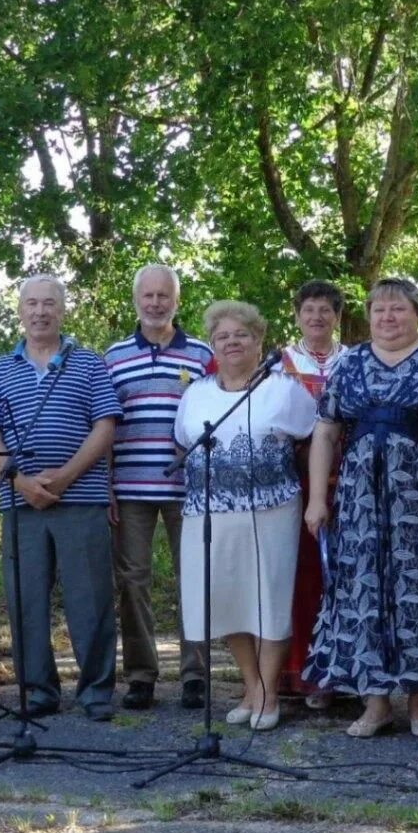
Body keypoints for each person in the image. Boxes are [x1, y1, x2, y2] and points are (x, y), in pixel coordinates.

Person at [305, 278, 418, 738]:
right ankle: (376, 702)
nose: (388, 317)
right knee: (366, 594)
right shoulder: (350, 364)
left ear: (416, 313)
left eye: (398, 309)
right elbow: (326, 430)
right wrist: (317, 499)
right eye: (379, 309)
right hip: (361, 507)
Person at [0, 276, 122, 721]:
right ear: (19, 310)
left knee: (91, 598)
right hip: (21, 504)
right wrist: (19, 480)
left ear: (62, 310)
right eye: (32, 304)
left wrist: (65, 477)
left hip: (82, 499)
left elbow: (105, 425)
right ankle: (38, 691)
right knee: (25, 598)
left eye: (49, 304)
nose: (40, 312)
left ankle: (96, 692)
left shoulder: (90, 363)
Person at [174, 301, 317, 731]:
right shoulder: (196, 392)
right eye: (223, 337)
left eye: (242, 335)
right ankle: (252, 687)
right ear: (213, 345)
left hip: (272, 512)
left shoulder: (285, 389)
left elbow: (312, 442)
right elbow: (183, 444)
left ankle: (270, 695)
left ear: (259, 342)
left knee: (269, 601)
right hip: (209, 515)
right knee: (228, 602)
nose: (232, 342)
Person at [103, 264, 214, 712]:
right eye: (147, 296)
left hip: (192, 489)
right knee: (133, 583)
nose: (155, 303)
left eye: (163, 296)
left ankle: (195, 675)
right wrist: (106, 484)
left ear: (176, 300)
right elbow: (104, 426)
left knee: (195, 579)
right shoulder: (113, 356)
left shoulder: (204, 354)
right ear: (136, 301)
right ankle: (142, 676)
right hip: (129, 486)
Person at [275, 279, 350, 709]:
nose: (317, 317)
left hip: (351, 479)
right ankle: (303, 671)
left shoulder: (355, 359)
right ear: (298, 316)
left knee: (344, 574)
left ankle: (343, 670)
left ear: (337, 316)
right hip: (297, 478)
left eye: (325, 310)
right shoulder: (280, 362)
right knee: (304, 575)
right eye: (309, 310)